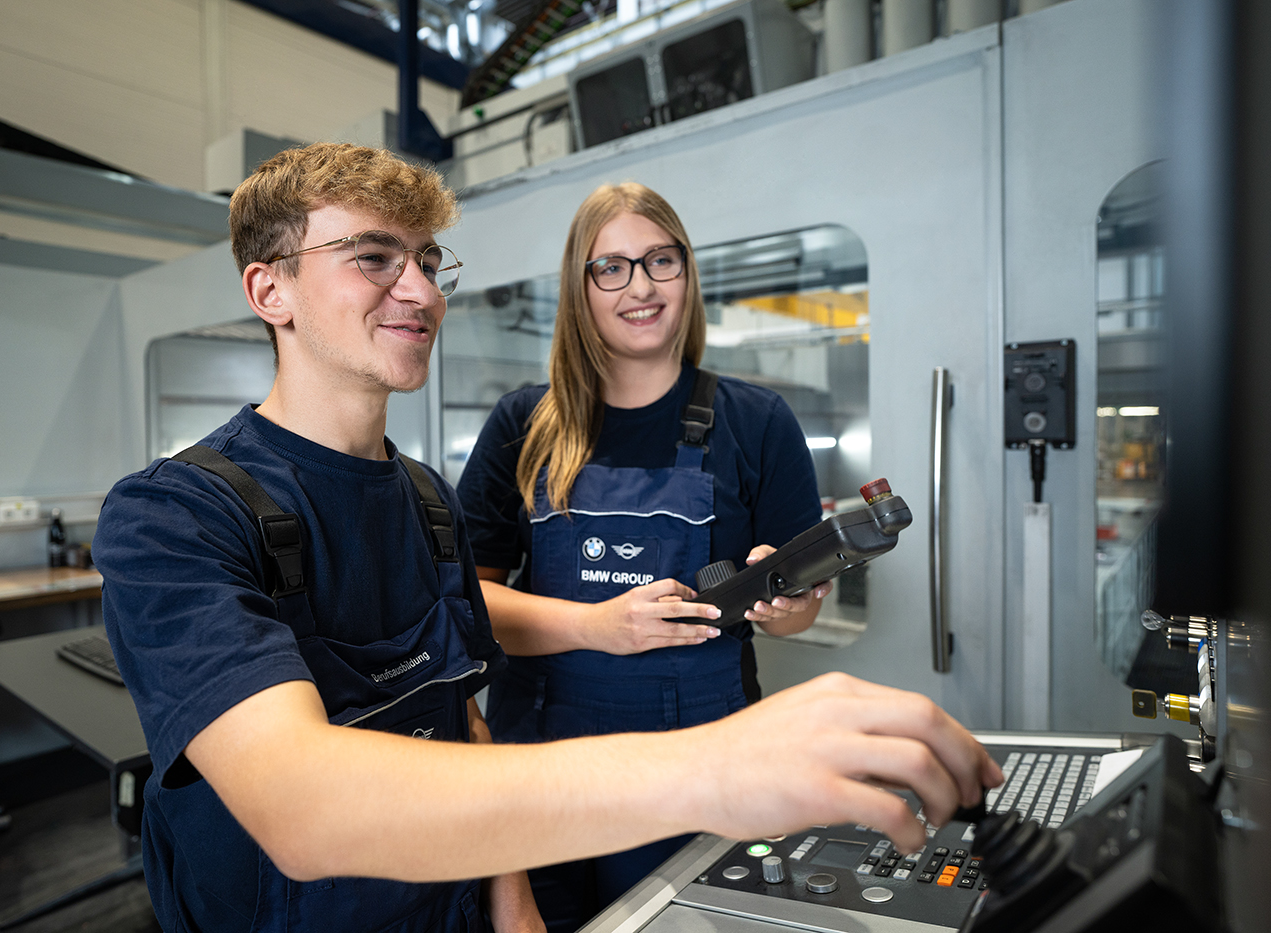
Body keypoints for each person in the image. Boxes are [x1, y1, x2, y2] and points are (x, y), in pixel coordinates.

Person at [94, 143, 1004, 933]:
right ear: (269, 287)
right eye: (372, 257)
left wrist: (512, 898)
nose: (417, 290)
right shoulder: (172, 516)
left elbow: (462, 713)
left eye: (425, 258)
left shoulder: (423, 501)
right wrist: (715, 758)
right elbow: (300, 808)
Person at [455, 183, 834, 928]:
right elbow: (468, 606)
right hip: (543, 770)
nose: (641, 286)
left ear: (688, 273)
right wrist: (597, 626)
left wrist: (791, 603)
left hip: (699, 768)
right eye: (613, 267)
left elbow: (791, 621)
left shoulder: (755, 423)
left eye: (661, 261)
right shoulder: (525, 423)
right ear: (581, 285)